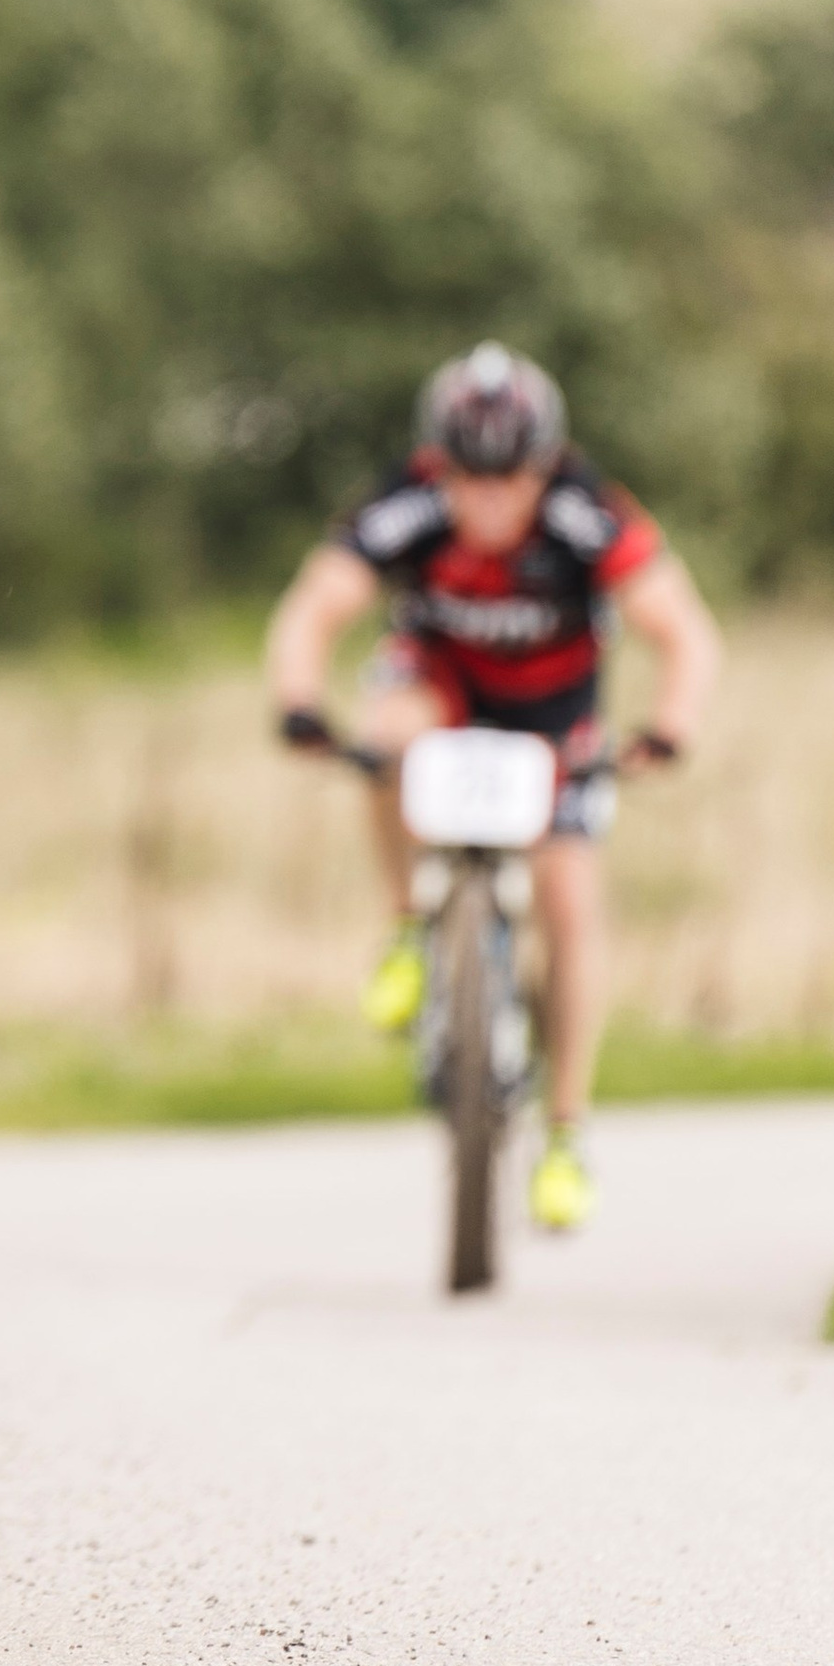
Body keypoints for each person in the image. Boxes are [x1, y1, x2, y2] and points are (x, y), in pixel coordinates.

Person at [265, 341, 719, 1231]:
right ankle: (408, 928)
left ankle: (566, 1134)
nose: (488, 500)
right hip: (444, 694)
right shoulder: (406, 507)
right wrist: (298, 705)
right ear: (439, 465)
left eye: (507, 479)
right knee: (386, 736)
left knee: (571, 901)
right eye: (469, 479)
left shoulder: (590, 516)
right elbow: (312, 606)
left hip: (557, 722)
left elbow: (687, 633)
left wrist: (672, 727)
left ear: (543, 466)